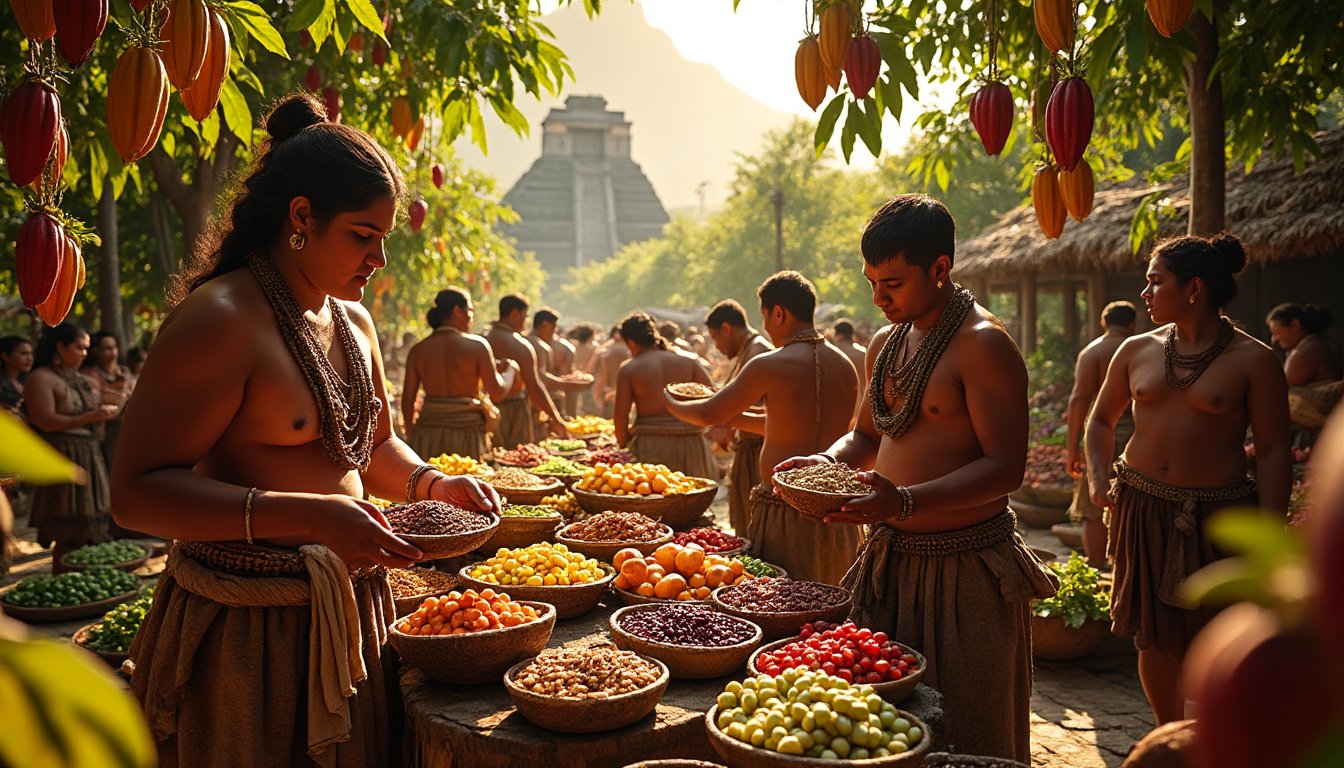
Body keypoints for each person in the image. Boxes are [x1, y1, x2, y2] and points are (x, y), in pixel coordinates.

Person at [109, 93, 500, 768]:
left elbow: (371, 445)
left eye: (384, 239)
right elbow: (134, 494)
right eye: (361, 235)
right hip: (246, 632)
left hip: (352, 608)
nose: (377, 260)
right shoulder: (223, 319)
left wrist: (429, 482)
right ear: (300, 218)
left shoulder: (355, 322)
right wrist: (313, 517)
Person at [775, 194, 1056, 761]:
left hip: (966, 570)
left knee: (970, 727)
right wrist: (826, 464)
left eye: (893, 284)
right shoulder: (885, 343)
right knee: (885, 727)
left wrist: (901, 500)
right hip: (890, 562)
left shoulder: (983, 345)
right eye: (872, 283)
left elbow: (1006, 469)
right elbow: (866, 438)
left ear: (940, 269)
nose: (878, 299)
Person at [1087, 232, 1290, 726]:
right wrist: (1097, 477)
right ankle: (1169, 733)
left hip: (1220, 513)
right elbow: (1100, 421)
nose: (1145, 293)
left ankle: (1217, 733)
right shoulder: (1136, 350)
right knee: (1152, 633)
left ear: (1194, 288)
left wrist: (1269, 532)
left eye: (1155, 282)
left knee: (1221, 631)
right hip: (1142, 504)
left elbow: (1273, 450)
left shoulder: (1255, 360)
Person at [670, 273, 862, 583]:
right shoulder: (845, 365)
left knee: (786, 606)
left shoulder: (771, 364)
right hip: (837, 513)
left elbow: (707, 412)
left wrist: (670, 402)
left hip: (786, 512)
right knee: (835, 601)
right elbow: (786, 423)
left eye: (765, 318)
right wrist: (733, 417)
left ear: (778, 313)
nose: (766, 329)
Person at [25, 323, 118, 572]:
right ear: (60, 346)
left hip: (88, 454)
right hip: (62, 454)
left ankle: (85, 580)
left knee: (90, 528)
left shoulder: (82, 378)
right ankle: (64, 580)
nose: (84, 353)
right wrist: (90, 417)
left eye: (87, 348)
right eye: (79, 347)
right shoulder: (41, 378)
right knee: (67, 531)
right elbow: (44, 420)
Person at [401, 288, 516, 460]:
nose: (471, 318)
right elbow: (497, 393)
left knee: (430, 485)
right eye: (470, 311)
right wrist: (511, 370)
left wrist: (412, 434)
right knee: (466, 483)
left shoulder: (418, 350)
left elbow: (407, 400)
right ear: (457, 311)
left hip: (428, 435)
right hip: (468, 434)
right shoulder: (478, 346)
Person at [1065, 301, 1137, 569]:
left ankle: (1096, 564)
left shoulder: (1092, 352)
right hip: (1136, 432)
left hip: (1097, 431)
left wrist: (1072, 448)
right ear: (1131, 324)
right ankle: (1126, 564)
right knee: (1133, 500)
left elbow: (1079, 399)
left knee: (1092, 505)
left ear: (1103, 323)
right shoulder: (1141, 350)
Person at [613, 312, 717, 477]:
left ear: (630, 342)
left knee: (655, 498)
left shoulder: (629, 369)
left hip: (651, 444)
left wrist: (623, 445)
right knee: (693, 495)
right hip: (691, 444)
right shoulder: (689, 361)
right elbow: (714, 399)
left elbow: (620, 417)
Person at [702, 299, 774, 534]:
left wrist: (723, 419)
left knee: (756, 528)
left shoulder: (758, 352)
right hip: (748, 450)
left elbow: (767, 414)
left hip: (759, 454)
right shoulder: (749, 350)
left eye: (715, 338)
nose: (717, 346)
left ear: (726, 329)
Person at [484, 295, 569, 448]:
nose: (526, 321)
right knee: (515, 463)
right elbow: (535, 387)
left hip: (483, 414)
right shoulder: (520, 345)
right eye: (525, 316)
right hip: (513, 414)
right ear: (515, 313)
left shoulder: (482, 339)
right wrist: (556, 419)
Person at [81, 331, 137, 475]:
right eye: (107, 348)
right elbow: (98, 402)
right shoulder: (90, 374)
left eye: (114, 347)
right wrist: (122, 393)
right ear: (96, 351)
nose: (113, 352)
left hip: (128, 433)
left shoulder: (124, 372)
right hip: (104, 435)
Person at [527, 308, 589, 420]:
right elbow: (540, 378)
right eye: (553, 328)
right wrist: (568, 384)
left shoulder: (523, 341)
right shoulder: (540, 346)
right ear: (545, 325)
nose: (554, 333)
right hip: (535, 401)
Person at [1266, 303, 1341, 387]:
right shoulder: (1317, 344)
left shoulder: (1311, 349)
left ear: (1295, 325)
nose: (1274, 339)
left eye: (1277, 332)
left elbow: (1280, 390)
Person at [591, 325, 631, 418]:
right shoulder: (625, 350)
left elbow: (591, 371)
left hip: (605, 393)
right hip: (618, 394)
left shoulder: (602, 349)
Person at [0, 335, 34, 419]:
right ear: (5, 356)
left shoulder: (27, 381)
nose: (29, 358)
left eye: (31, 354)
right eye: (24, 353)